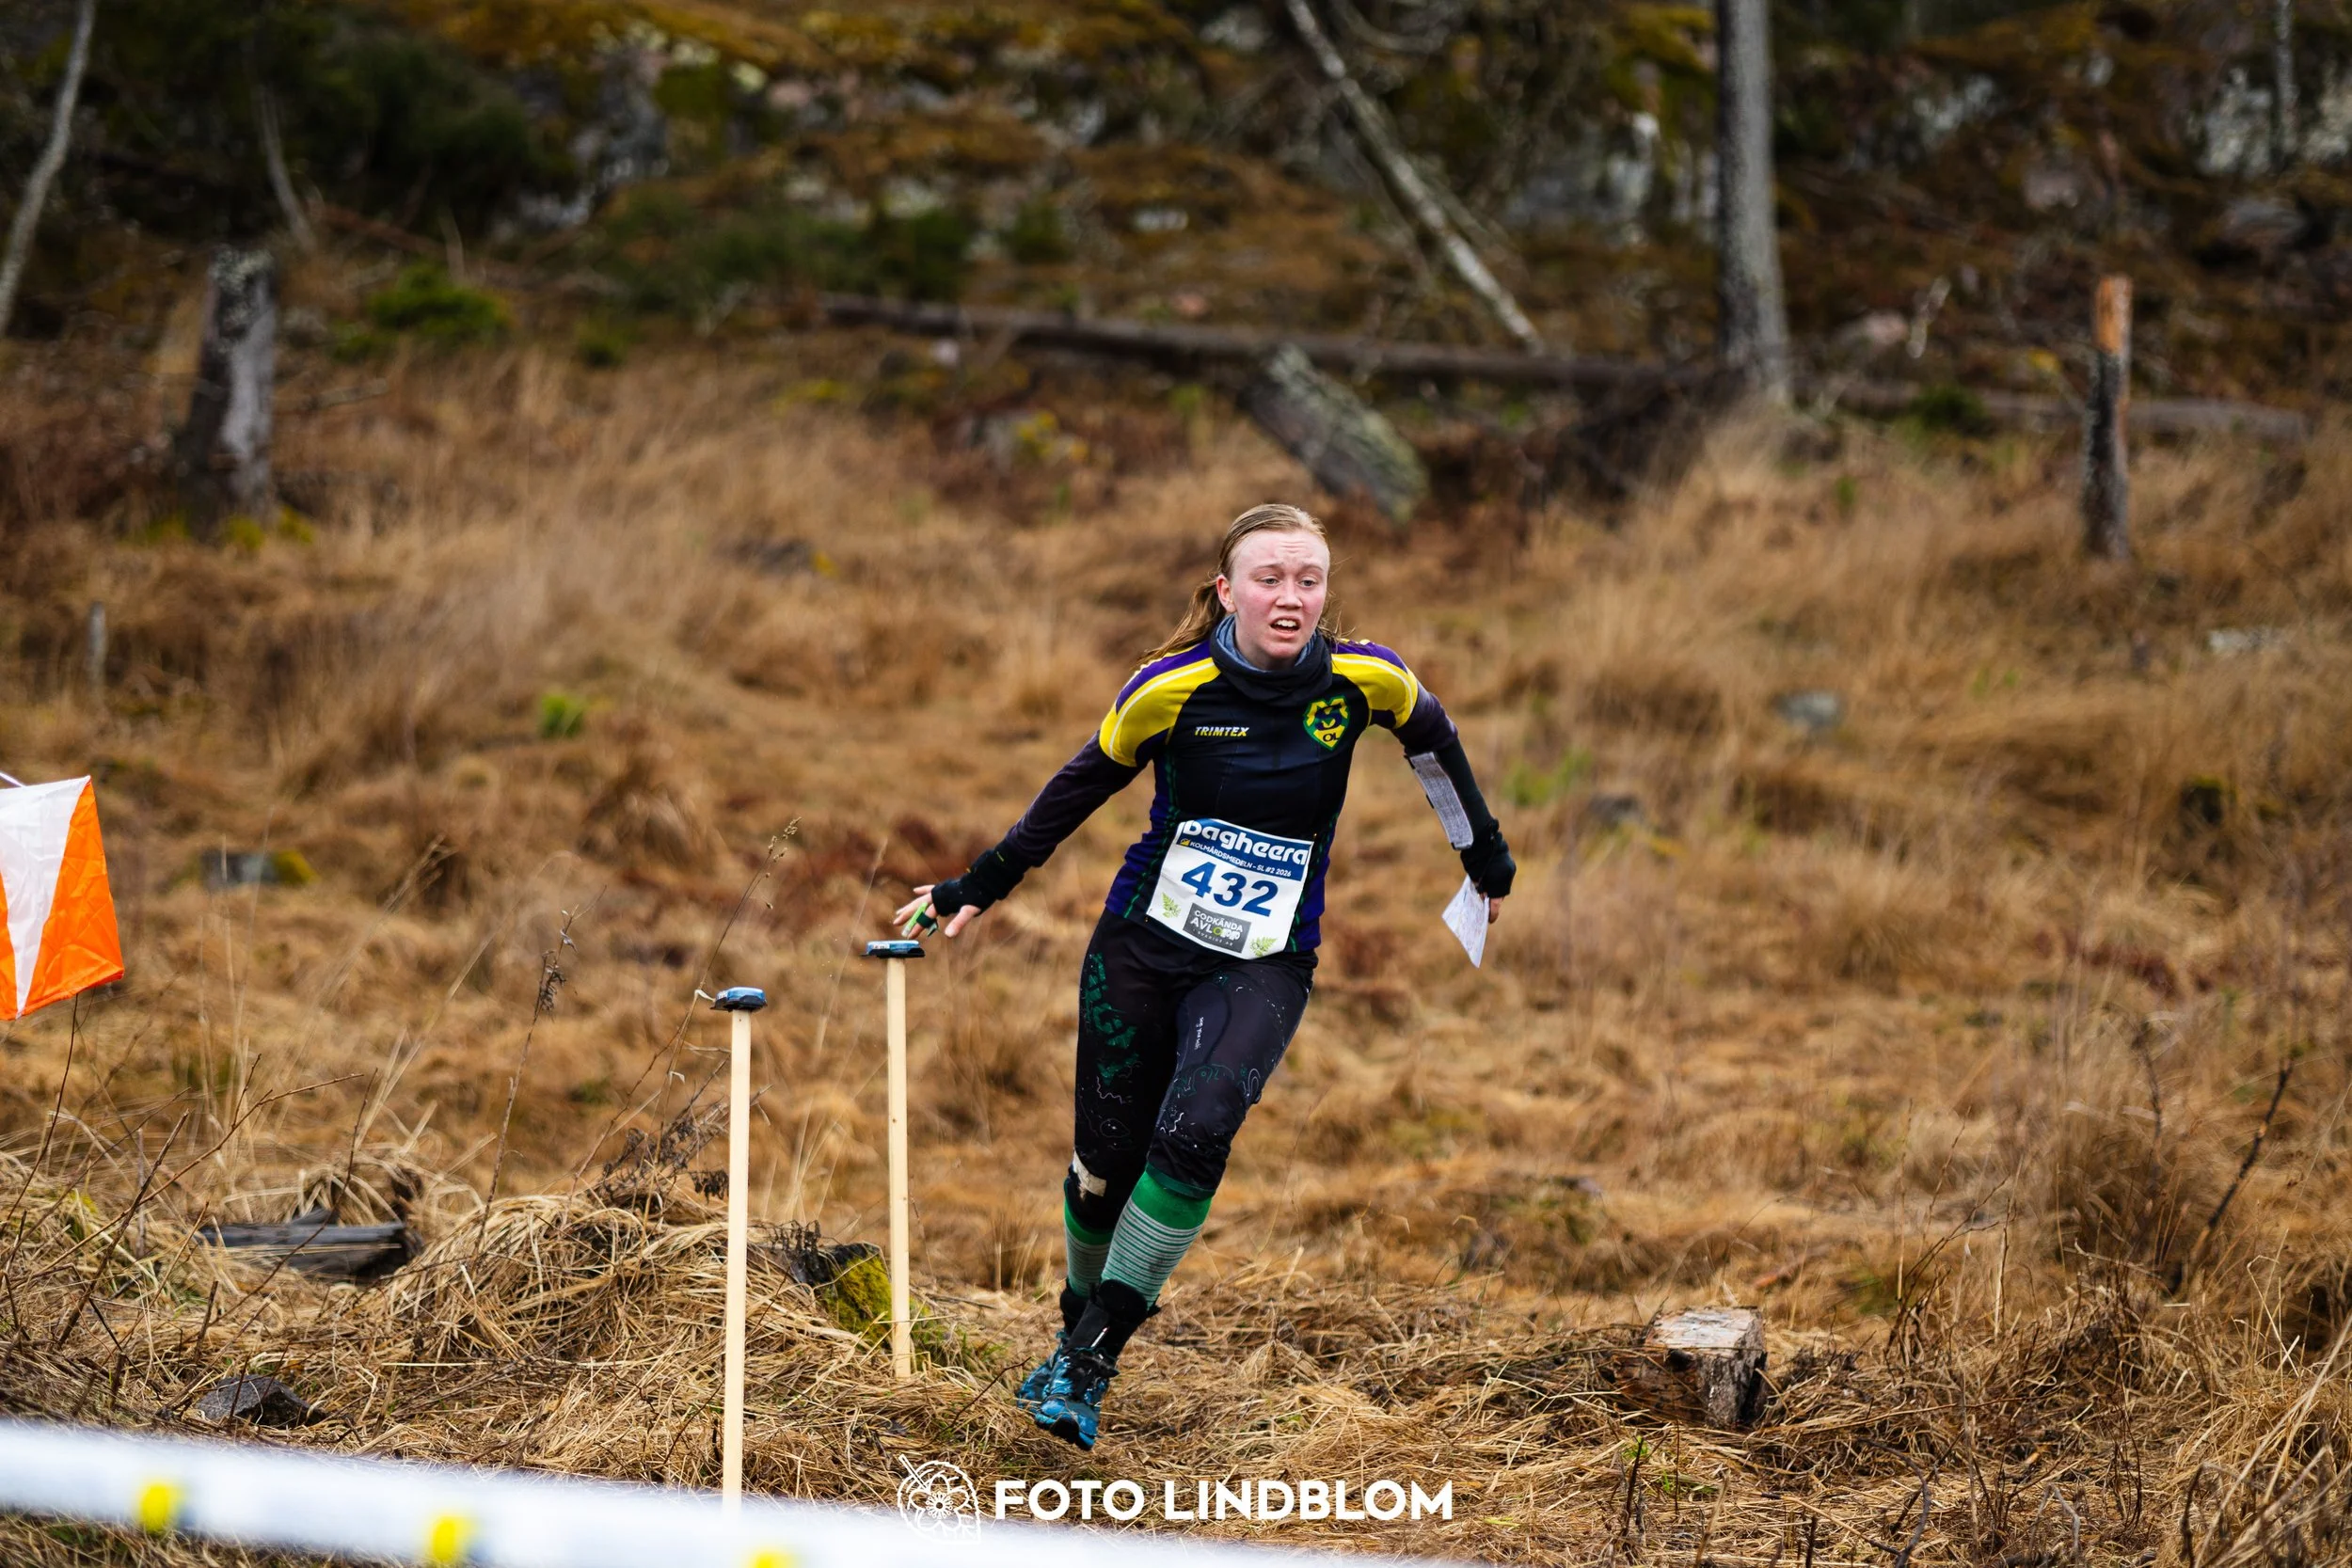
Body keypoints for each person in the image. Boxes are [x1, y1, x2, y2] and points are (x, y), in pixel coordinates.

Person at [892, 501, 1514, 1449]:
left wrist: (1485, 860)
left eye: (1309, 579)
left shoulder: (1366, 679)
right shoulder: (1169, 688)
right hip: (1141, 946)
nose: (1291, 597)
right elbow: (1077, 785)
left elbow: (1435, 744)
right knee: (1103, 1167)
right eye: (1269, 578)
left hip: (1265, 959)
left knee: (1194, 1134)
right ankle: (1076, 1321)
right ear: (1227, 590)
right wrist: (979, 883)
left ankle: (1089, 1359)